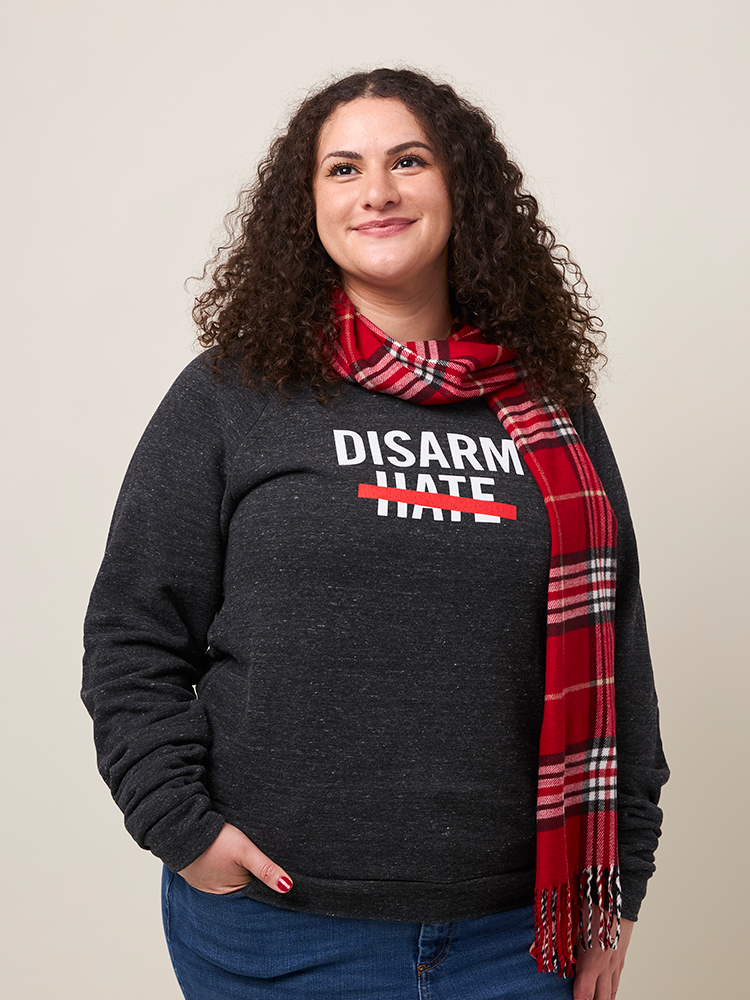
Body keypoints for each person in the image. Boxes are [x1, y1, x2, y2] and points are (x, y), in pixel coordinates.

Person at [82, 68, 668, 1000]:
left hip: (518, 936)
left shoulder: (552, 412)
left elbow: (620, 659)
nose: (379, 191)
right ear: (307, 204)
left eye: (409, 161)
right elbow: (132, 632)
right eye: (343, 169)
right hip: (276, 931)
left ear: (459, 189)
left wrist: (615, 888)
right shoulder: (233, 395)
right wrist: (180, 826)